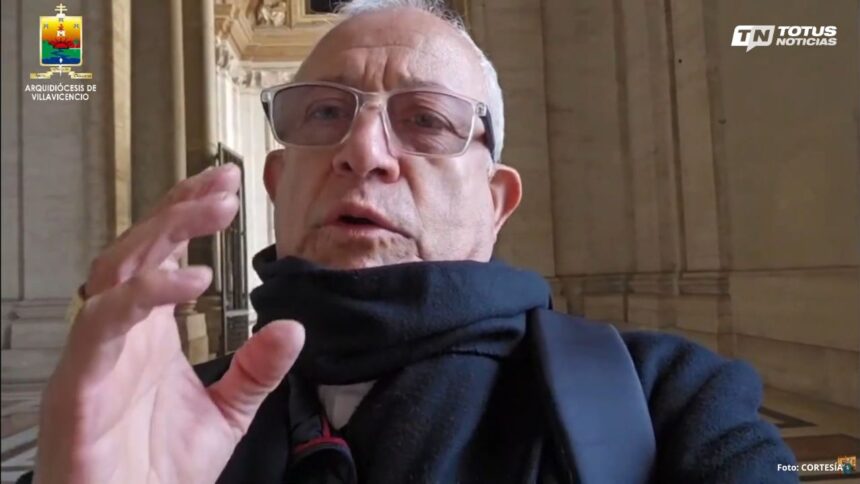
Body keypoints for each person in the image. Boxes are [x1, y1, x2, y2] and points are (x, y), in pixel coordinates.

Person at [23, 1, 798, 483]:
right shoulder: (158, 416)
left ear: (496, 202)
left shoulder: (669, 399)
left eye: (426, 120)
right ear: (277, 183)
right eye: (325, 114)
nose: (364, 152)